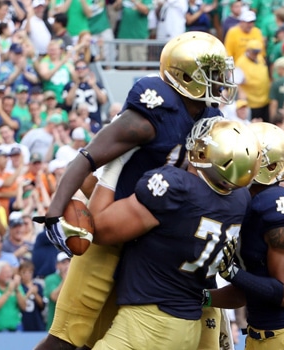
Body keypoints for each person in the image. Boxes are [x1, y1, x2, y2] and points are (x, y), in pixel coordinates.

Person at [34, 31, 238, 349]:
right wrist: (54, 214)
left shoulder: (212, 119)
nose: (219, 80)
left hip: (159, 242)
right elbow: (87, 158)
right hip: (115, 226)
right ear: (185, 75)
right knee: (69, 338)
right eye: (210, 73)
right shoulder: (153, 113)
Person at [83, 117, 260, 349]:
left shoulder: (176, 187)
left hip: (150, 322)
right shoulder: (240, 199)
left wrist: (115, 163)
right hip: (186, 324)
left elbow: (100, 228)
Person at [206, 122, 284, 349]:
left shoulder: (277, 207)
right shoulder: (247, 204)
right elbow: (248, 293)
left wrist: (232, 273)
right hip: (256, 338)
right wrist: (202, 298)